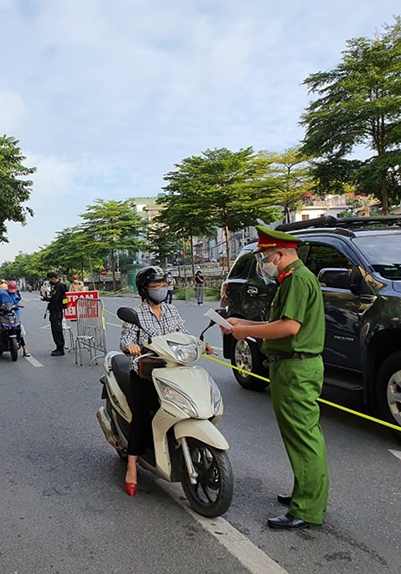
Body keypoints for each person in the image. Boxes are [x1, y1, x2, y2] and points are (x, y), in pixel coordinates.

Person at [224, 226, 328, 530]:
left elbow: (289, 328)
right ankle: (306, 494)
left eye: (264, 256)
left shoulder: (297, 279)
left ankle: (307, 508)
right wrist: (241, 322)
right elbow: (278, 322)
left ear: (280, 254)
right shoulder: (291, 280)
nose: (262, 262)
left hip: (296, 368)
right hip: (293, 366)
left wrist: (246, 332)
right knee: (302, 437)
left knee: (303, 438)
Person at [120, 266, 212, 496]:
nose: (161, 289)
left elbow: (184, 334)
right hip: (145, 372)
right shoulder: (136, 314)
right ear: (144, 290)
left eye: (163, 286)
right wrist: (131, 347)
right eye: (155, 286)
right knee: (141, 418)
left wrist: (201, 344)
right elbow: (126, 340)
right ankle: (132, 466)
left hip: (173, 369)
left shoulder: (171, 310)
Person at [0, 280, 30, 359]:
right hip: (1, 313)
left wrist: (16, 307)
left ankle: (25, 349)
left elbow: (18, 303)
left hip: (12, 313)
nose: (12, 293)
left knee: (18, 328)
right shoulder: (2, 293)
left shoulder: (16, 294)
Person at [46, 271, 67, 356]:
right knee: (54, 330)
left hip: (57, 311)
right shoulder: (55, 286)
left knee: (57, 330)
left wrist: (46, 299)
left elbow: (56, 299)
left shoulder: (59, 286)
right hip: (54, 311)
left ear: (53, 278)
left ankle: (60, 348)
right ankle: (58, 347)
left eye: (50, 279)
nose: (49, 281)